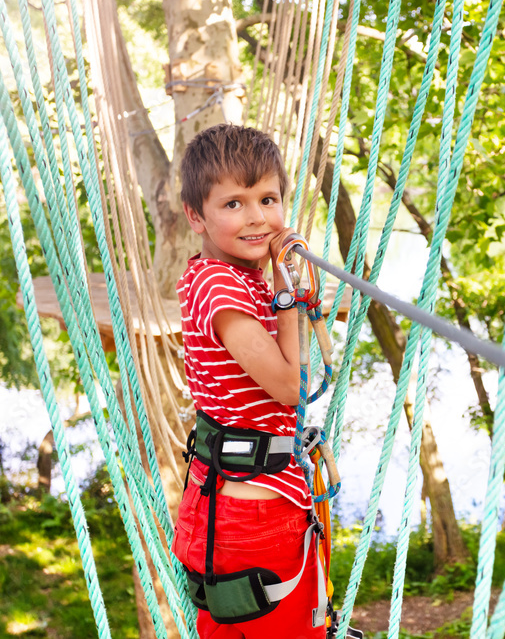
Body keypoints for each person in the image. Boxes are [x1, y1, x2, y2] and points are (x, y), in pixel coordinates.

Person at [171, 123, 324, 639]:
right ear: (196, 216)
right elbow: (290, 388)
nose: (258, 217)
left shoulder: (231, 276)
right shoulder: (220, 283)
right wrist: (288, 291)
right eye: (233, 204)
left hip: (228, 507)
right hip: (252, 518)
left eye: (268, 198)